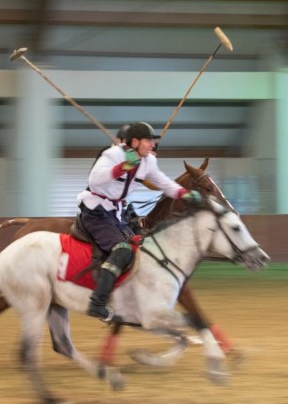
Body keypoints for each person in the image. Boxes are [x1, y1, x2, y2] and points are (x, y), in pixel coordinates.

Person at [77, 121, 201, 321]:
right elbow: (95, 180)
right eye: (149, 141)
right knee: (122, 249)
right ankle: (97, 303)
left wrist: (184, 194)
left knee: (141, 248)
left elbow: (163, 182)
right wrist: (123, 167)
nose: (152, 145)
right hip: (96, 211)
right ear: (135, 141)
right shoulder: (111, 155)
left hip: (117, 214)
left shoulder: (148, 162)